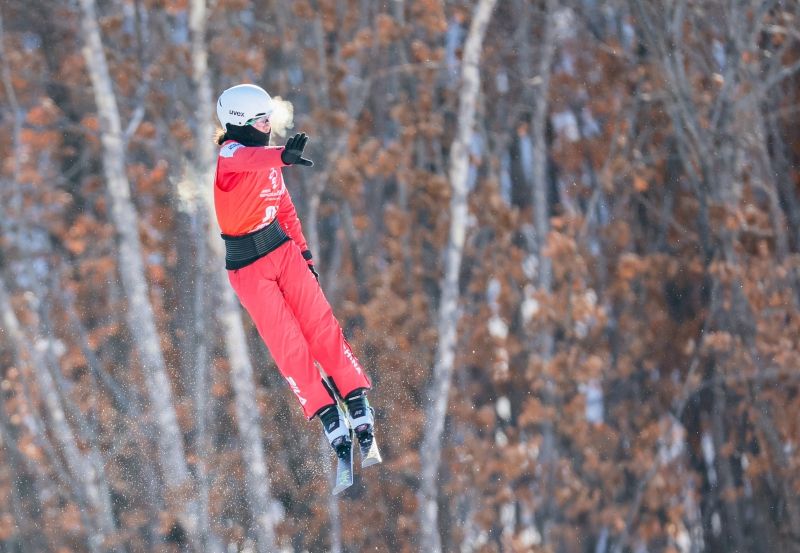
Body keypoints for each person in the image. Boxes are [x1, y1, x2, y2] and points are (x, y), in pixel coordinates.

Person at [213, 83, 375, 458]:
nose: (269, 125)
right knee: (288, 343)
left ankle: (353, 395)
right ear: (241, 123)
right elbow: (248, 160)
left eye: (270, 118)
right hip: (249, 269)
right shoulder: (232, 154)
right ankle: (325, 411)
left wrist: (304, 256)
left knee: (320, 325)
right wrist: (282, 157)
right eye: (262, 120)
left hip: (282, 251)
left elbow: (284, 209)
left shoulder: (269, 161)